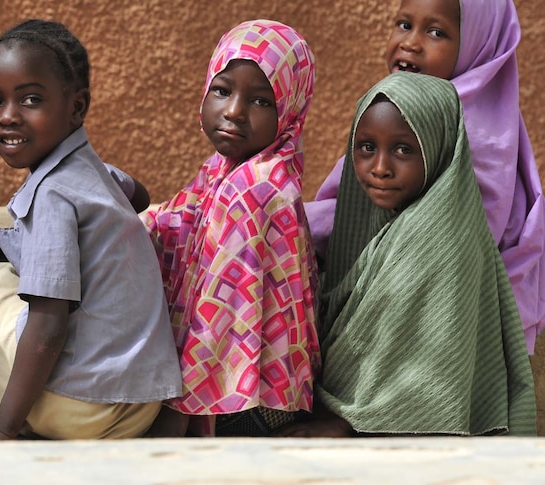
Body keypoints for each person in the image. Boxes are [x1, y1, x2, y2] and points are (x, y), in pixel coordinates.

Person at [0, 19, 182, 441]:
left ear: (76, 107)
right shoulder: (96, 172)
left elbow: (49, 322)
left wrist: (1, 430)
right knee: (9, 272)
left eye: (30, 99)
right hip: (140, 401)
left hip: (81, 411)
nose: (8, 118)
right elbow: (139, 196)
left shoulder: (51, 196)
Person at [279, 71, 536, 437]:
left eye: (403, 150)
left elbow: (431, 378)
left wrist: (346, 426)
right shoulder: (378, 228)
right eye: (367, 147)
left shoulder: (443, 243)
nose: (381, 168)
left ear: (438, 147)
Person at [306, 0, 545, 353]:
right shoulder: (396, 110)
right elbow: (343, 207)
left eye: (436, 32)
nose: (411, 43)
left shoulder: (476, 137)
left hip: (444, 299)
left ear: (479, 46)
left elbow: (452, 246)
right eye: (404, 24)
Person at [141, 20, 320, 437]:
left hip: (243, 401)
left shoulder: (255, 188)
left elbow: (219, 319)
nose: (234, 111)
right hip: (247, 391)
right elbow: (170, 223)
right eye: (222, 91)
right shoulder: (222, 171)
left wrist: (174, 418)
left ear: (290, 109)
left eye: (260, 101)